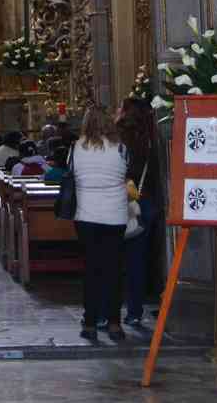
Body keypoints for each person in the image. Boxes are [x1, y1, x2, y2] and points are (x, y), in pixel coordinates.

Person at [72, 106, 128, 344]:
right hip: (115, 215)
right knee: (114, 270)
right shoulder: (121, 148)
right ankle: (114, 323)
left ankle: (90, 322)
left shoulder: (77, 148)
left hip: (87, 214)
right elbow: (127, 173)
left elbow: (72, 173)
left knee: (92, 270)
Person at [116, 97, 161, 327]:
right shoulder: (153, 139)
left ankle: (109, 312)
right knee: (138, 260)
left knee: (113, 259)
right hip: (147, 204)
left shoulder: (119, 138)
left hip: (122, 204)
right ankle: (134, 310)